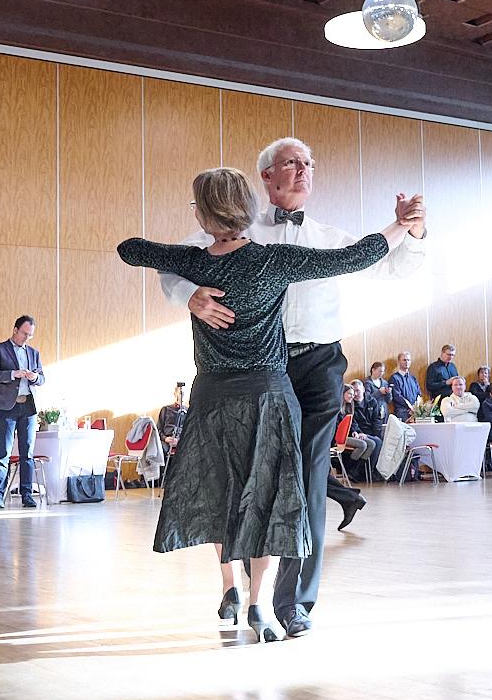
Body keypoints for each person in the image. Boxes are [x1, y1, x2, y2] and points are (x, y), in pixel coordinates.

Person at [124, 165, 422, 641]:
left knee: (221, 490)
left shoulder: (197, 260)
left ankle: (229, 586)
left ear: (202, 215)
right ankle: (260, 602)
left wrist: (189, 266)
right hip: (267, 392)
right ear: (249, 203)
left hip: (215, 393)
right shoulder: (275, 259)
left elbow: (131, 249)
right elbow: (357, 256)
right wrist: (401, 226)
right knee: (267, 492)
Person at [0, 315, 45, 509]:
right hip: (7, 406)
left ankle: (27, 495)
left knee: (27, 452)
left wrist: (35, 377)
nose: (27, 337)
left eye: (30, 335)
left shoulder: (34, 353)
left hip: (28, 406)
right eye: (25, 333)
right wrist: (13, 374)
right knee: (3, 452)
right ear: (15, 330)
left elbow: (43, 378)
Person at [337, 384, 378, 482]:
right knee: (362, 445)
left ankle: (355, 471)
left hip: (349, 435)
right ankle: (350, 470)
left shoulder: (349, 407)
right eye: (349, 394)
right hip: (339, 437)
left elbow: (353, 423)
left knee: (372, 444)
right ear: (343, 394)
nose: (353, 396)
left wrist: (356, 432)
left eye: (353, 394)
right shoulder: (337, 408)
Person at [349, 379, 383, 470]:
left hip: (371, 432)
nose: (355, 394)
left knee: (378, 440)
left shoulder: (372, 401)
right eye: (353, 391)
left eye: (357, 391)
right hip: (359, 433)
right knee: (376, 443)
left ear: (363, 389)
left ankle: (371, 470)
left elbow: (377, 420)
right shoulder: (350, 405)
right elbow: (352, 422)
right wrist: (359, 432)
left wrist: (376, 434)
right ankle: (367, 471)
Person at [389, 351, 422, 421]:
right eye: (404, 360)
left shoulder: (413, 378)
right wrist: (410, 407)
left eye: (408, 360)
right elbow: (397, 396)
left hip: (416, 412)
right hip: (403, 411)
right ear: (399, 362)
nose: (406, 362)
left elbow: (419, 394)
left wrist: (416, 408)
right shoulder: (394, 378)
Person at [157, 384, 188, 457]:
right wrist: (165, 438)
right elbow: (158, 429)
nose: (182, 396)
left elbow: (189, 431)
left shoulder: (188, 412)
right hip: (166, 441)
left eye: (184, 394)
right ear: (175, 394)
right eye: (180, 393)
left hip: (181, 441)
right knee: (160, 449)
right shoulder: (166, 409)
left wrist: (179, 440)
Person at [364, 361, 392, 430]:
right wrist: (379, 392)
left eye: (382, 371)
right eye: (379, 371)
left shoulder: (384, 382)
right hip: (373, 412)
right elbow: (367, 398)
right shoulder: (367, 382)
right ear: (373, 370)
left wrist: (388, 393)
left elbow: (389, 400)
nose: (381, 373)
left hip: (384, 411)